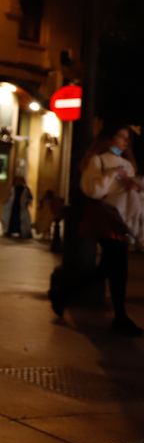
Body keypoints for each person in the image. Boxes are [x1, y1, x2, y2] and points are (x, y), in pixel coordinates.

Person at [77, 123, 143, 336]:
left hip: (122, 218)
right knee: (118, 268)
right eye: (120, 137)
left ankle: (63, 293)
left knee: (108, 268)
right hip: (105, 218)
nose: (123, 142)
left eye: (126, 139)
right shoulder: (99, 160)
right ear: (109, 138)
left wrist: (135, 185)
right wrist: (112, 174)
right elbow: (93, 191)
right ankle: (120, 317)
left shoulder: (129, 165)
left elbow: (132, 195)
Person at [1, 174, 34, 239]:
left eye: (19, 180)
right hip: (13, 206)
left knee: (22, 220)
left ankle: (22, 232)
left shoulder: (25, 189)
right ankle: (9, 231)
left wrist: (27, 202)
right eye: (17, 180)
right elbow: (9, 196)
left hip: (21, 207)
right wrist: (5, 201)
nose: (18, 182)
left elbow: (30, 197)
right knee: (10, 219)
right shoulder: (12, 188)